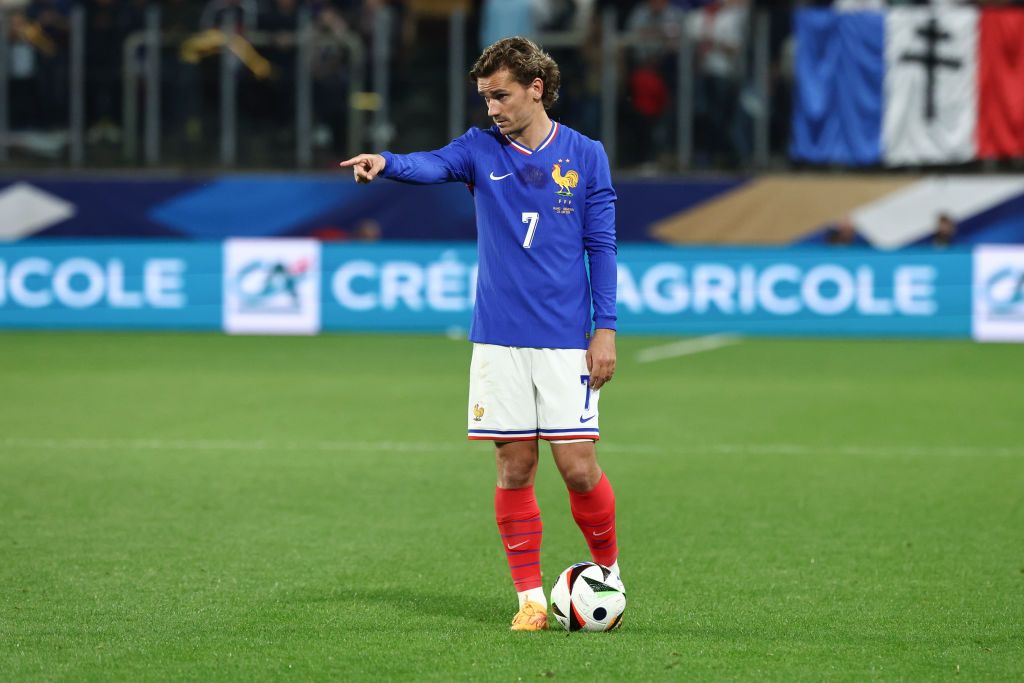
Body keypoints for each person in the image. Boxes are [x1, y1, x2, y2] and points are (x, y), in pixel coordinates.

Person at [340, 36, 621, 632]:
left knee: (577, 467)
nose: (491, 108)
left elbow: (601, 245)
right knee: (514, 467)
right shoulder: (478, 150)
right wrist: (386, 162)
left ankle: (607, 574)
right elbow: (431, 164)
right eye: (485, 97)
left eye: (501, 96)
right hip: (497, 340)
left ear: (535, 88)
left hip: (567, 340)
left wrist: (607, 330)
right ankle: (531, 600)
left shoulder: (586, 154)